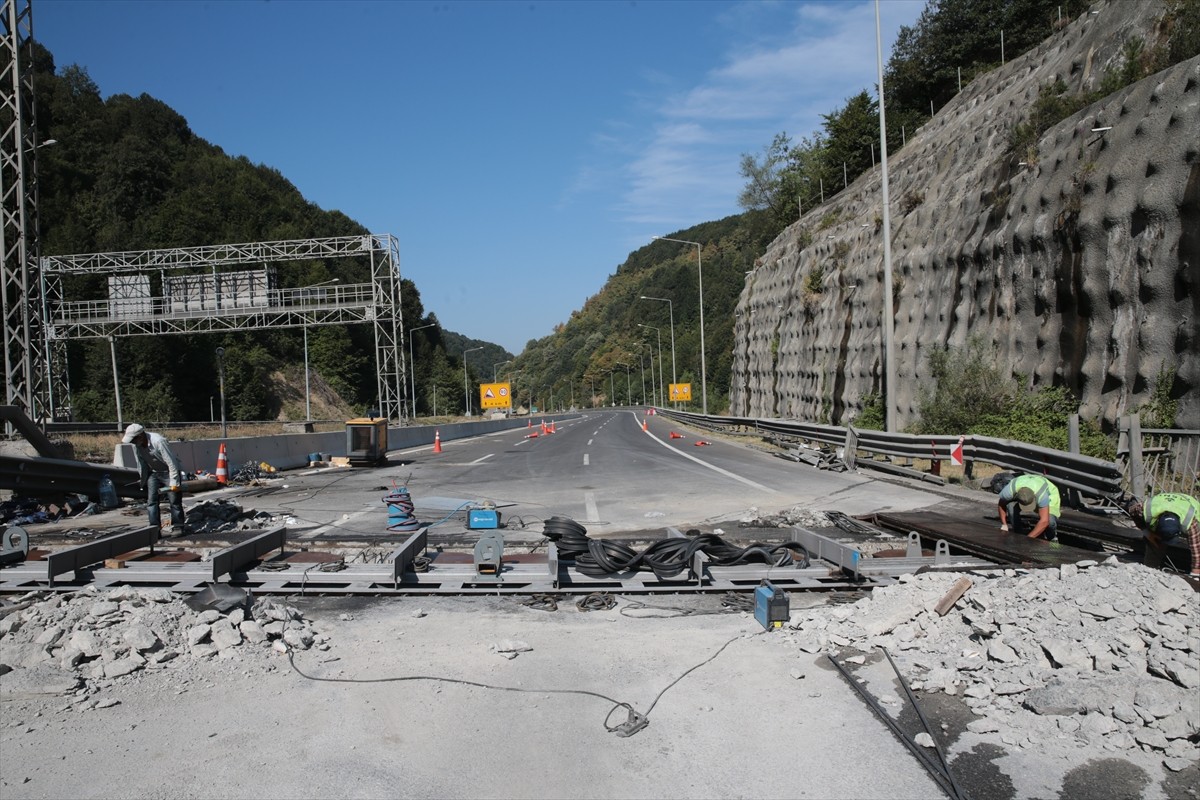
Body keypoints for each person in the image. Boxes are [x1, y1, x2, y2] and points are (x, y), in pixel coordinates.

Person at [122, 423, 187, 535]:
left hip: (168, 472)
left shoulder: (158, 441)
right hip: (154, 473)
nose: (132, 442)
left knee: (174, 500)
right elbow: (141, 462)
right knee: (152, 502)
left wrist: (174, 482)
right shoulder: (136, 445)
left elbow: (171, 463)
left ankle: (178, 526)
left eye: (133, 439)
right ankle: (154, 528)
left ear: (140, 436)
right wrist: (143, 478)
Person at [1122, 492, 1200, 577]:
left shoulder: (1190, 521)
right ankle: (1149, 572)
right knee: (1155, 543)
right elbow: (1132, 511)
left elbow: (1196, 551)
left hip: (1188, 508)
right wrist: (1148, 533)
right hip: (1163, 506)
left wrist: (1194, 576)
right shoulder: (1146, 509)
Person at [997, 474, 1060, 541]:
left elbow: (1045, 521)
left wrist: (1028, 539)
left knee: (1050, 521)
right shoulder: (1009, 490)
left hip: (1050, 493)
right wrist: (1004, 524)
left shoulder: (1042, 495)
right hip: (1024, 483)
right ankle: (1018, 534)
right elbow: (1001, 504)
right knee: (1011, 507)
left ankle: (1052, 537)